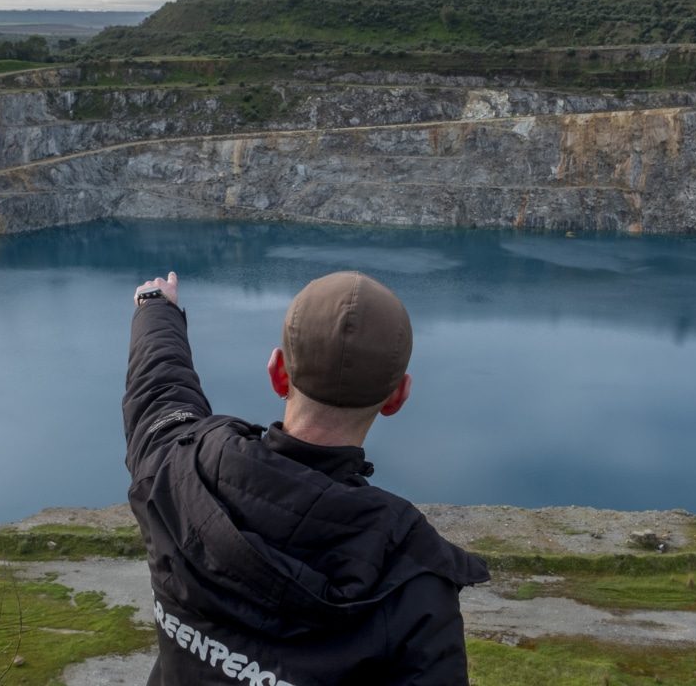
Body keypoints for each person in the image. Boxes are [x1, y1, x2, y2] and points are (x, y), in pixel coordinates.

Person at [123, 269, 489, 686]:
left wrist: (155, 306)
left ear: (278, 373)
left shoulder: (180, 471)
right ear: (397, 397)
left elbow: (158, 391)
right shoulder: (413, 588)